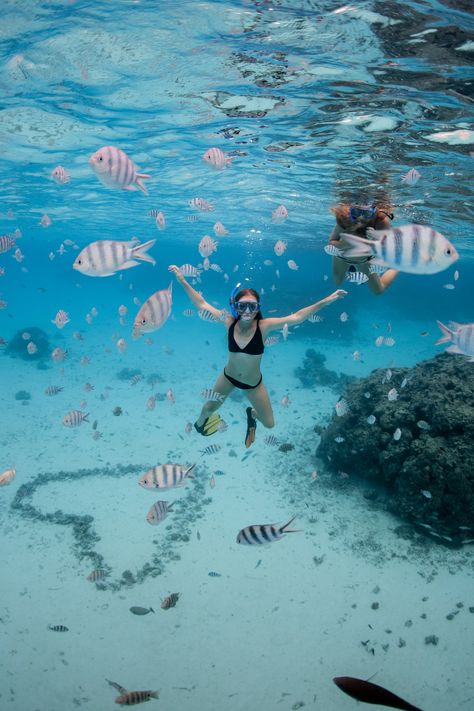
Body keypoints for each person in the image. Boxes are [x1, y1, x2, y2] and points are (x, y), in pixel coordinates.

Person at [168, 264, 347, 447]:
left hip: (253, 384)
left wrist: (327, 300)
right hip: (228, 378)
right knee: (207, 409)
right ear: (235, 307)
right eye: (242, 306)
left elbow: (297, 317)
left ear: (258, 307)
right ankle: (199, 427)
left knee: (269, 424)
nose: (246, 311)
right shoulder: (228, 322)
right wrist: (182, 279)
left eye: (251, 307)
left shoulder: (264, 326)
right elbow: (201, 304)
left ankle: (251, 414)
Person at [328, 202, 399, 295]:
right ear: (350, 210)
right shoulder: (345, 218)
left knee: (378, 291)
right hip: (341, 257)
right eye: (356, 212)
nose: (361, 217)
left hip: (363, 261)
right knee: (337, 283)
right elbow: (331, 242)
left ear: (374, 211)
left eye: (367, 213)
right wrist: (344, 244)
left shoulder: (380, 220)